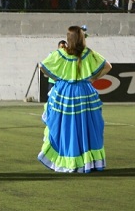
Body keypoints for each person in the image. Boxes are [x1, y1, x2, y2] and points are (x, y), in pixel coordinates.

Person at [38, 26, 111, 173]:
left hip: (65, 93)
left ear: (68, 38)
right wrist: (93, 78)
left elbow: (42, 66)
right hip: (84, 92)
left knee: (65, 126)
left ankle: (69, 159)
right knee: (86, 125)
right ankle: (88, 161)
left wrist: (57, 78)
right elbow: (108, 66)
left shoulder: (61, 53)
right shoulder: (88, 53)